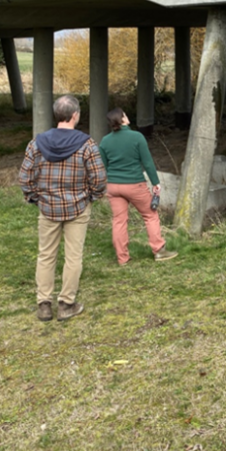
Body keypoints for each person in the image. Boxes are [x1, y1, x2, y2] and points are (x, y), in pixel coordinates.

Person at [19, 95, 106, 322]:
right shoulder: (87, 144)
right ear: (75, 115)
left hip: (47, 208)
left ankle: (44, 304)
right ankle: (67, 303)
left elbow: (25, 177)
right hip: (78, 207)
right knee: (73, 257)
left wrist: (35, 198)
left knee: (46, 256)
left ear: (55, 115)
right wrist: (91, 198)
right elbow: (99, 179)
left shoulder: (36, 143)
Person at [99, 108, 178, 265]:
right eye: (125, 115)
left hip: (113, 186)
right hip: (134, 184)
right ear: (123, 119)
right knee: (150, 215)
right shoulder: (137, 137)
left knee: (119, 221)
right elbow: (147, 162)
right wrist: (156, 182)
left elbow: (105, 165)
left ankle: (122, 258)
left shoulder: (105, 141)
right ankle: (159, 251)